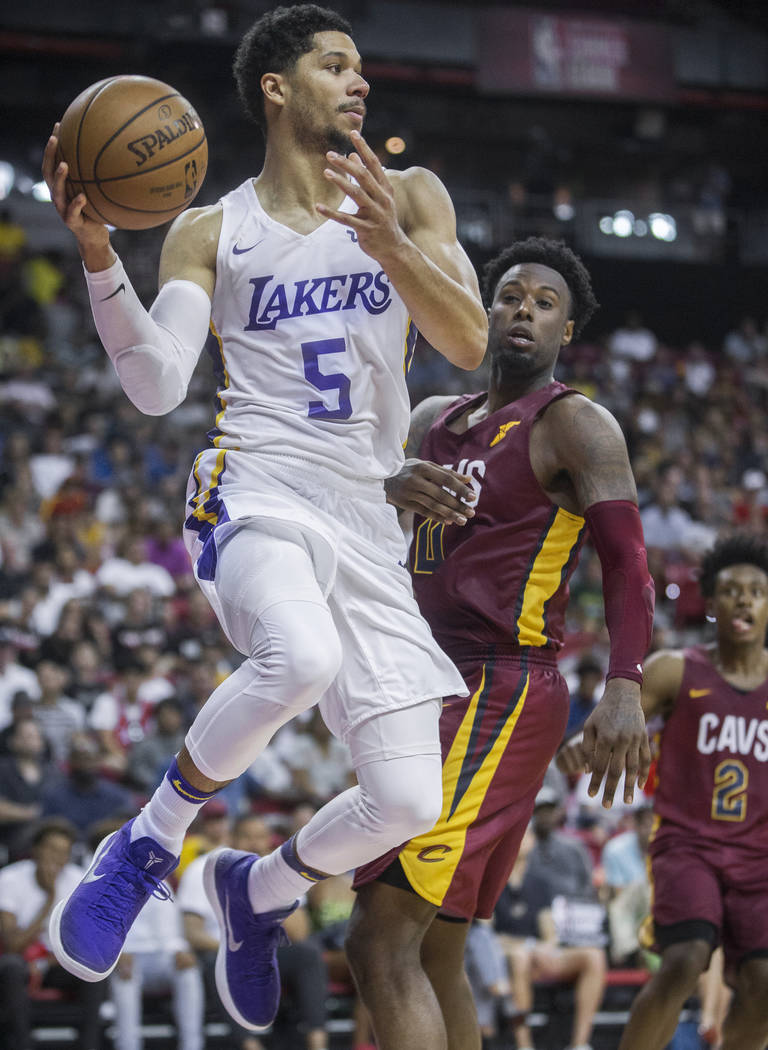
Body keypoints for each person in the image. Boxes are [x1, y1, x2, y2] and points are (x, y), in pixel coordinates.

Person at [42, 2, 487, 1035]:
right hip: (259, 489)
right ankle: (148, 844)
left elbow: (465, 341)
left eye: (362, 67)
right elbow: (156, 384)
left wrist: (391, 243)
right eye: (338, 66)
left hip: (369, 516)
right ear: (279, 89)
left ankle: (261, 889)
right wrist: (102, 254)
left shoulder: (408, 194)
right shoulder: (211, 228)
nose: (361, 82)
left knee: (409, 805)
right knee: (299, 659)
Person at [347, 236, 654, 1050]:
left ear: (567, 332)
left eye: (544, 303)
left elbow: (628, 561)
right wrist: (386, 488)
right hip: (423, 680)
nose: (523, 309)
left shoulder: (575, 425)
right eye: (510, 295)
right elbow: (365, 538)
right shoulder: (429, 422)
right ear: (483, 311)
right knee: (439, 950)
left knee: (378, 938)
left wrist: (622, 686)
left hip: (500, 687)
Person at [560, 534, 768, 1050]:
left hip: (759, 855)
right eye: (731, 590)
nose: (744, 599)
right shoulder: (676, 669)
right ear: (712, 606)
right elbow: (612, 724)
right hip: (688, 845)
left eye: (756, 591)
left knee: (765, 984)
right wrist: (580, 749)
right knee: (685, 959)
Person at [0, 818, 103, 1050]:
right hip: (22, 964)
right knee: (11, 966)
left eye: (63, 853)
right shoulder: (10, 879)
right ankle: (22, 1045)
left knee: (93, 971)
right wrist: (48, 899)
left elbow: (86, 938)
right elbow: (12, 945)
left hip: (58, 962)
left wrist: (51, 959)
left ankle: (90, 1045)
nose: (57, 858)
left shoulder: (78, 879)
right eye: (51, 849)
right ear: (35, 850)